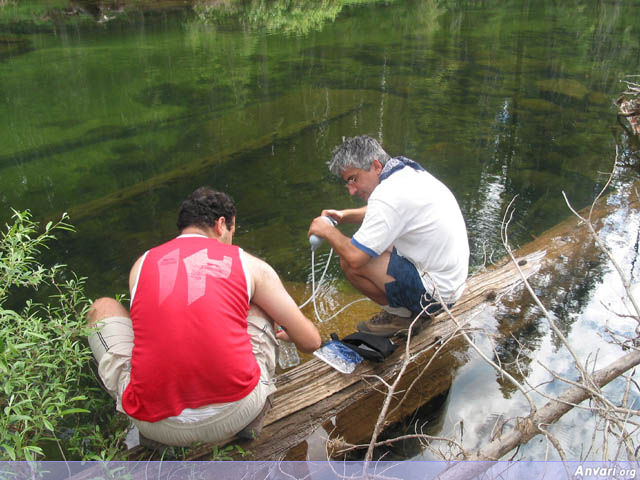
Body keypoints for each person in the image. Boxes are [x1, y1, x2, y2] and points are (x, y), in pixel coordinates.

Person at [88, 187, 321, 447]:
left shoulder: (142, 264)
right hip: (236, 412)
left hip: (156, 424)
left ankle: (151, 419)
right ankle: (250, 412)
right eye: (233, 231)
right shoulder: (248, 264)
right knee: (261, 301)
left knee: (102, 307)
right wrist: (281, 330)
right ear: (222, 224)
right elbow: (311, 341)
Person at [308, 135, 469, 337]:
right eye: (348, 182)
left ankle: (402, 318)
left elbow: (356, 257)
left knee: (350, 261)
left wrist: (328, 231)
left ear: (376, 166)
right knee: (374, 244)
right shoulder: (405, 171)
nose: (351, 190)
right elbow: (389, 212)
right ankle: (407, 310)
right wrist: (344, 216)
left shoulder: (388, 196)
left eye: (354, 179)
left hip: (436, 298)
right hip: (451, 283)